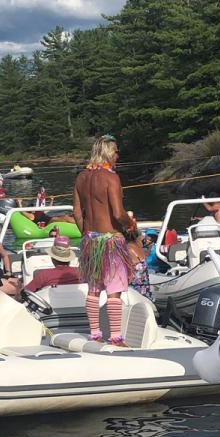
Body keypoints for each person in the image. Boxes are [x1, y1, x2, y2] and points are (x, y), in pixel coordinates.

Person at [73, 134, 136, 344]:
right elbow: (118, 213)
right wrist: (131, 226)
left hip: (90, 241)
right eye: (116, 151)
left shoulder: (81, 177)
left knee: (93, 290)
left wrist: (87, 234)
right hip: (110, 242)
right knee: (114, 292)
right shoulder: (111, 177)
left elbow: (77, 213)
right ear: (108, 151)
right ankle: (116, 338)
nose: (118, 155)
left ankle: (95, 335)